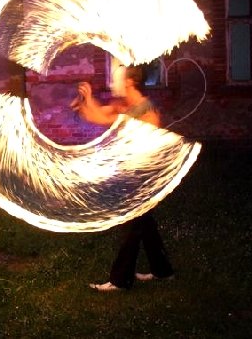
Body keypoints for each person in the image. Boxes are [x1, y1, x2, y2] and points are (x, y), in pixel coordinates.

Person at [70, 65, 174, 291]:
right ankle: (162, 271)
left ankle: (120, 280)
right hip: (129, 175)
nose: (114, 83)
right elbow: (98, 116)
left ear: (129, 82)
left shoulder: (147, 113)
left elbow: (149, 149)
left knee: (131, 227)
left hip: (140, 179)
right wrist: (85, 100)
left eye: (118, 79)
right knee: (145, 225)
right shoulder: (125, 107)